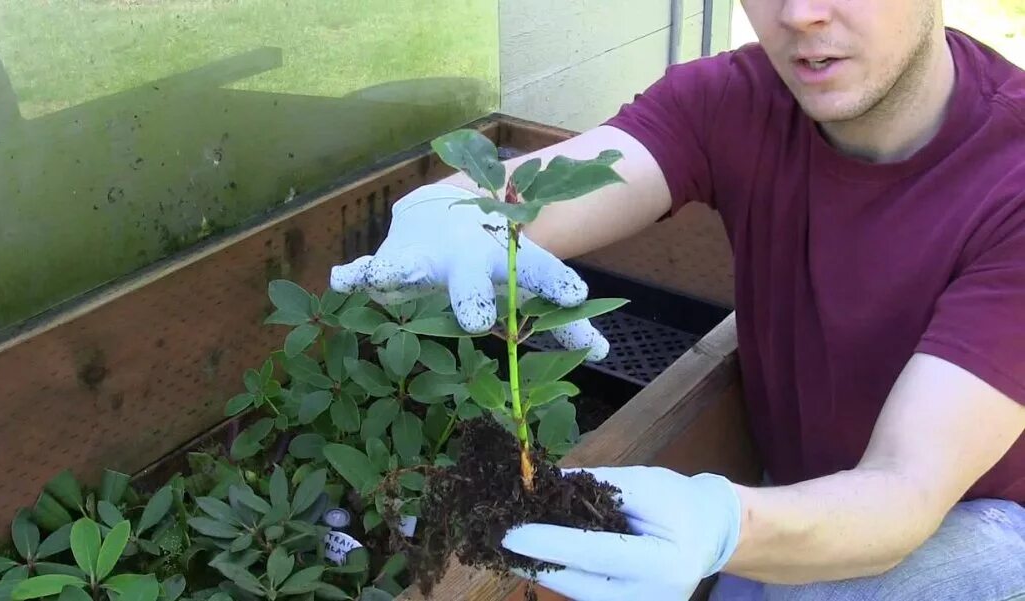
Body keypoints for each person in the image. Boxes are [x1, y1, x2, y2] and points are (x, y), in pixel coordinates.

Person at [330, 0, 1025, 598]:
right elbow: (554, 186)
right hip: (795, 492)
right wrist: (449, 210)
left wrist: (723, 522)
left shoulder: (1011, 177)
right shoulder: (738, 100)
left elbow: (904, 491)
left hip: (982, 522)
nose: (798, 15)